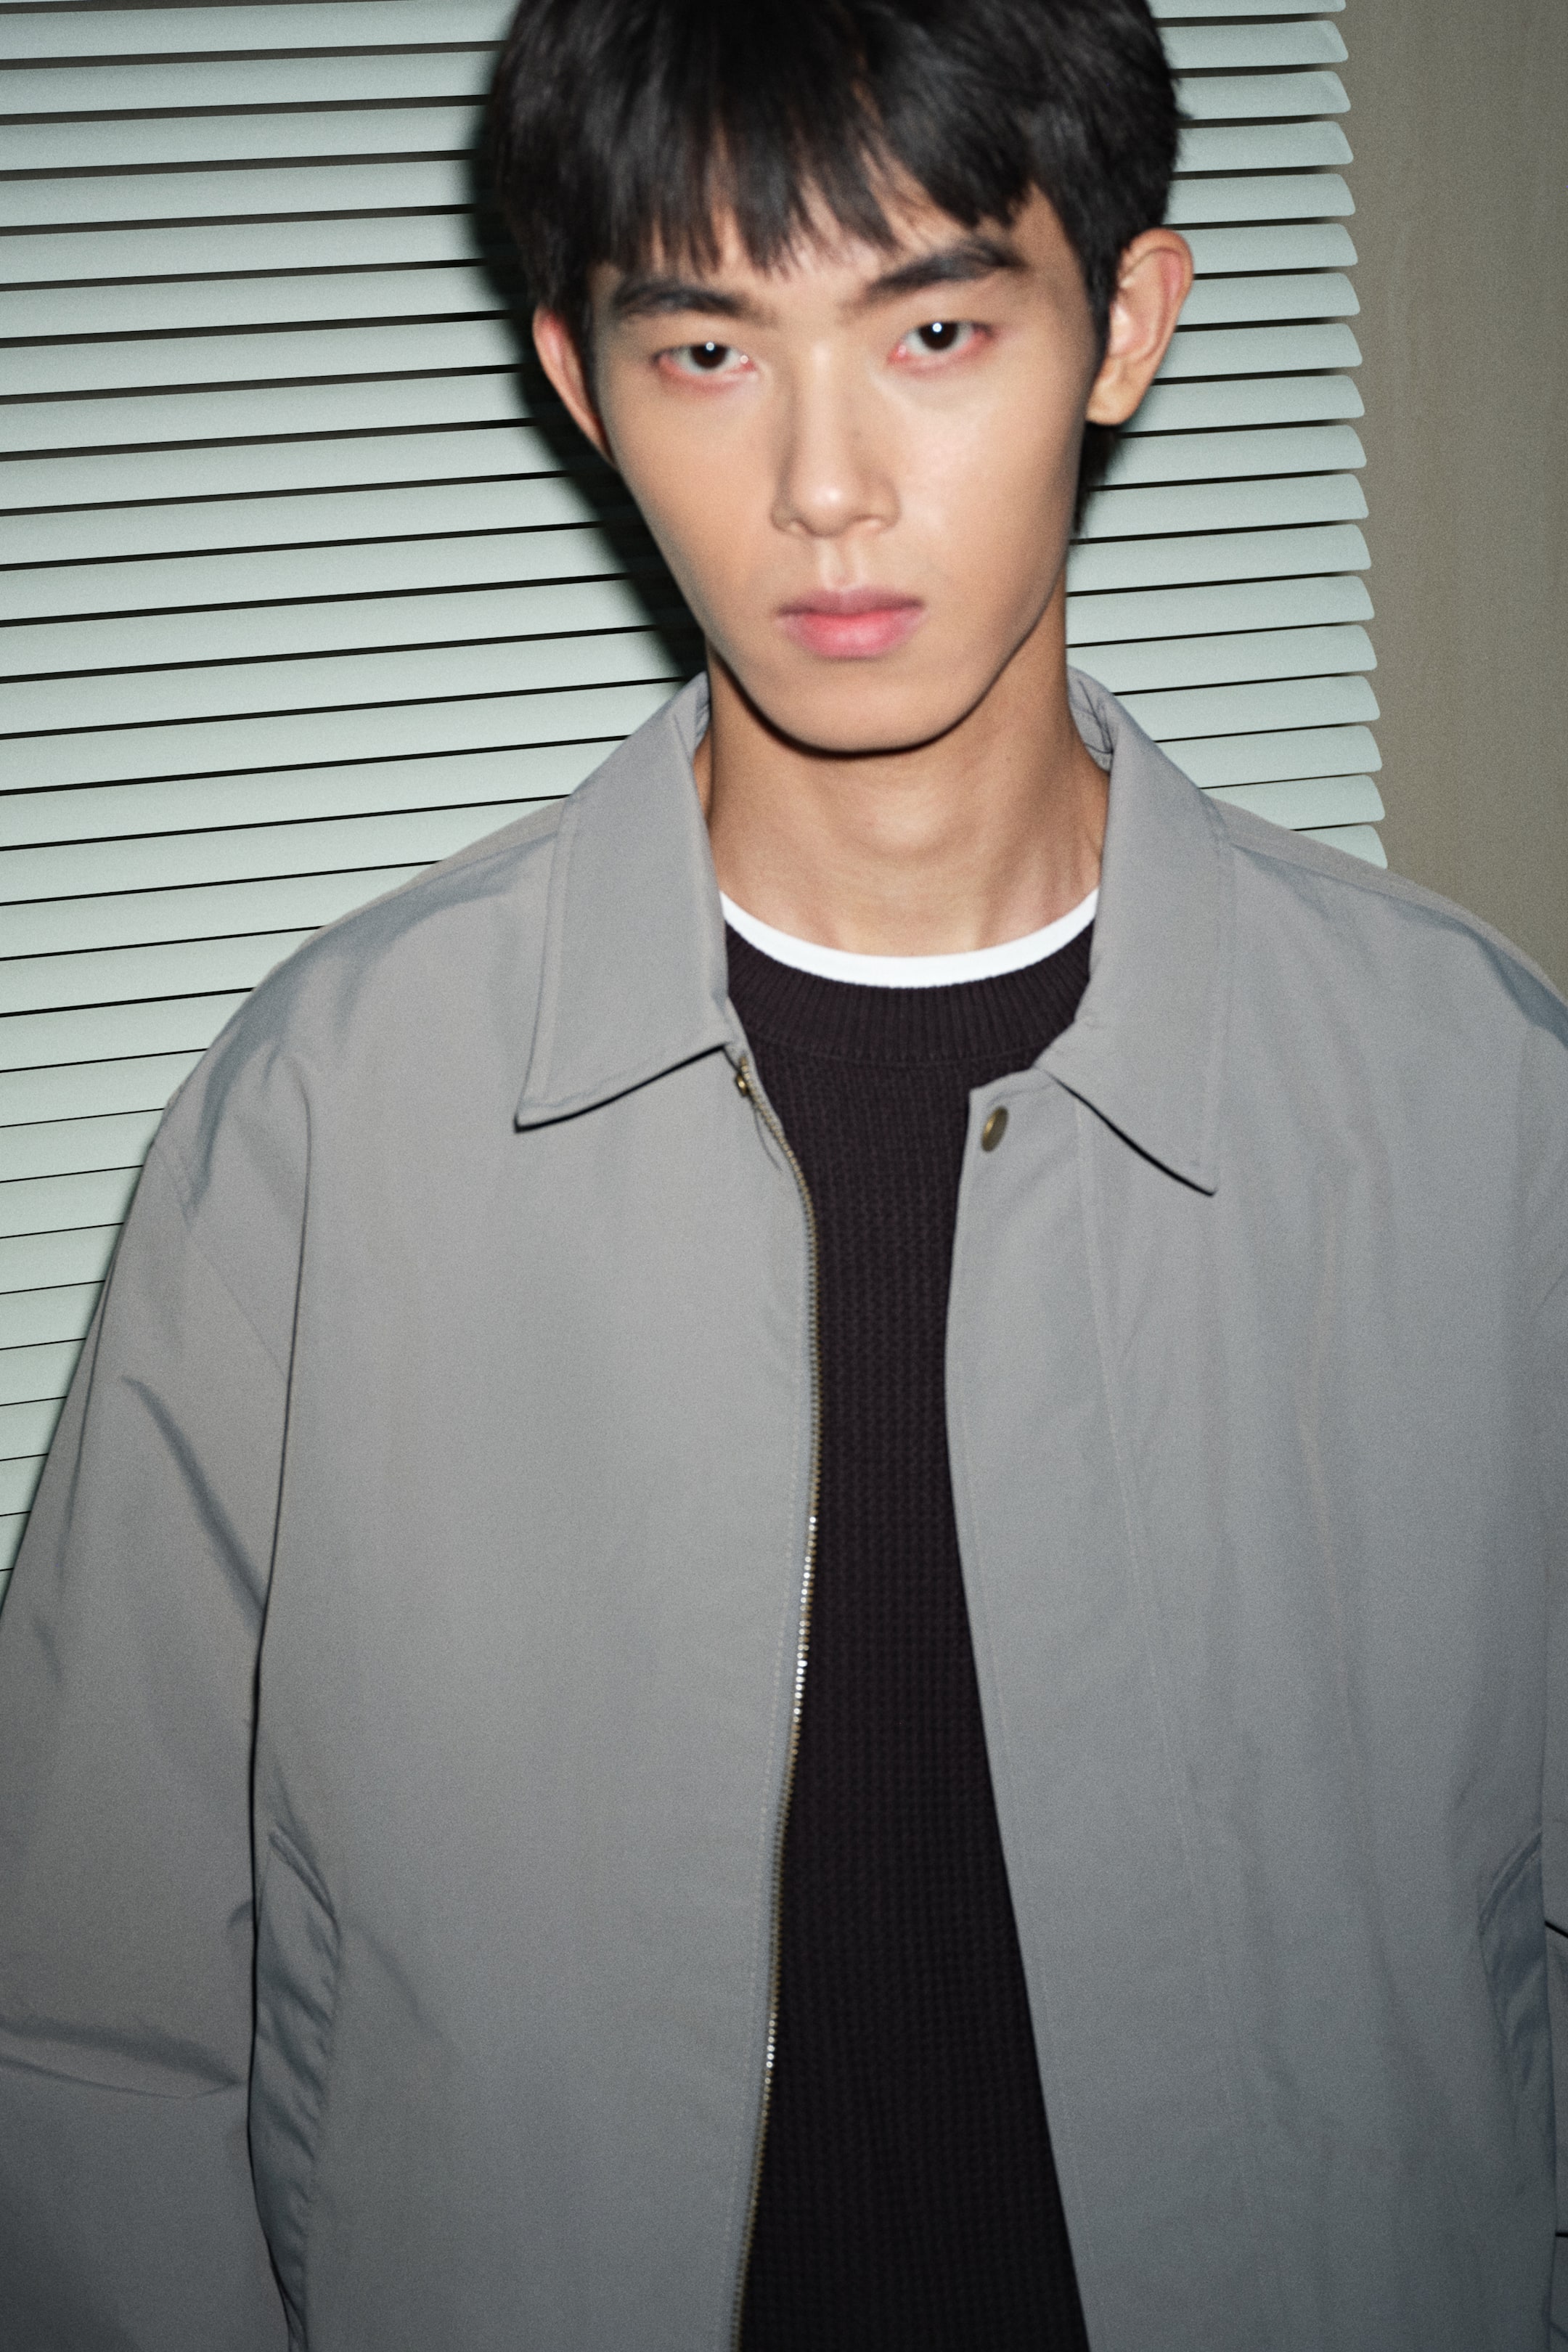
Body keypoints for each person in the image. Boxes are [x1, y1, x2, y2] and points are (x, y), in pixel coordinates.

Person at [1, 0, 1564, 2343]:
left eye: (934, 328)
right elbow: (93, 2039)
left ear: (1126, 323)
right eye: (711, 351)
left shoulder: (1475, 1106)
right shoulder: (330, 1122)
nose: (826, 486)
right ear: (579, 379)